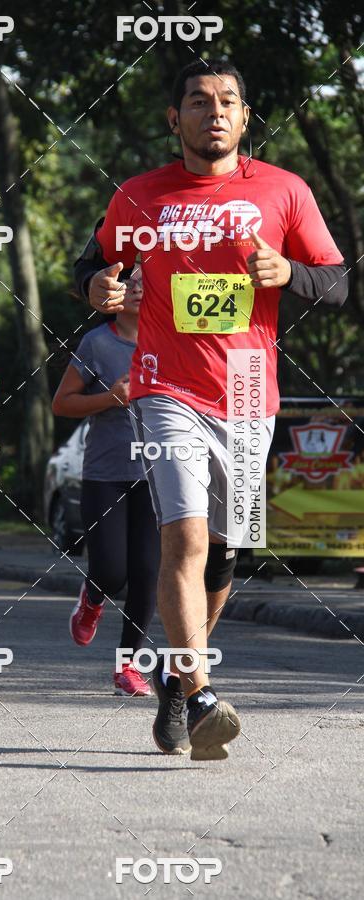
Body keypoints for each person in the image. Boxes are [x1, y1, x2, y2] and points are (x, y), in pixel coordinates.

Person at [74, 59, 347, 759]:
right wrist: (99, 286)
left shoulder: (285, 190)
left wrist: (291, 273)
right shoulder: (140, 196)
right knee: (186, 540)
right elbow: (93, 265)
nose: (214, 111)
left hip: (250, 388)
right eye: (198, 101)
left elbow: (338, 282)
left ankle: (176, 674)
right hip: (165, 386)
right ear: (176, 119)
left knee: (226, 550)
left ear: (245, 117)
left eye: (228, 100)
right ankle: (200, 696)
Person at [52, 266, 159, 697]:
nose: (137, 289)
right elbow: (62, 403)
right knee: (112, 572)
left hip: (158, 473)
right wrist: (111, 398)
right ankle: (92, 599)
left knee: (148, 573)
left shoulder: (170, 342)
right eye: (129, 282)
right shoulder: (97, 343)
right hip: (106, 473)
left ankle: (127, 666)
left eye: (146, 283)